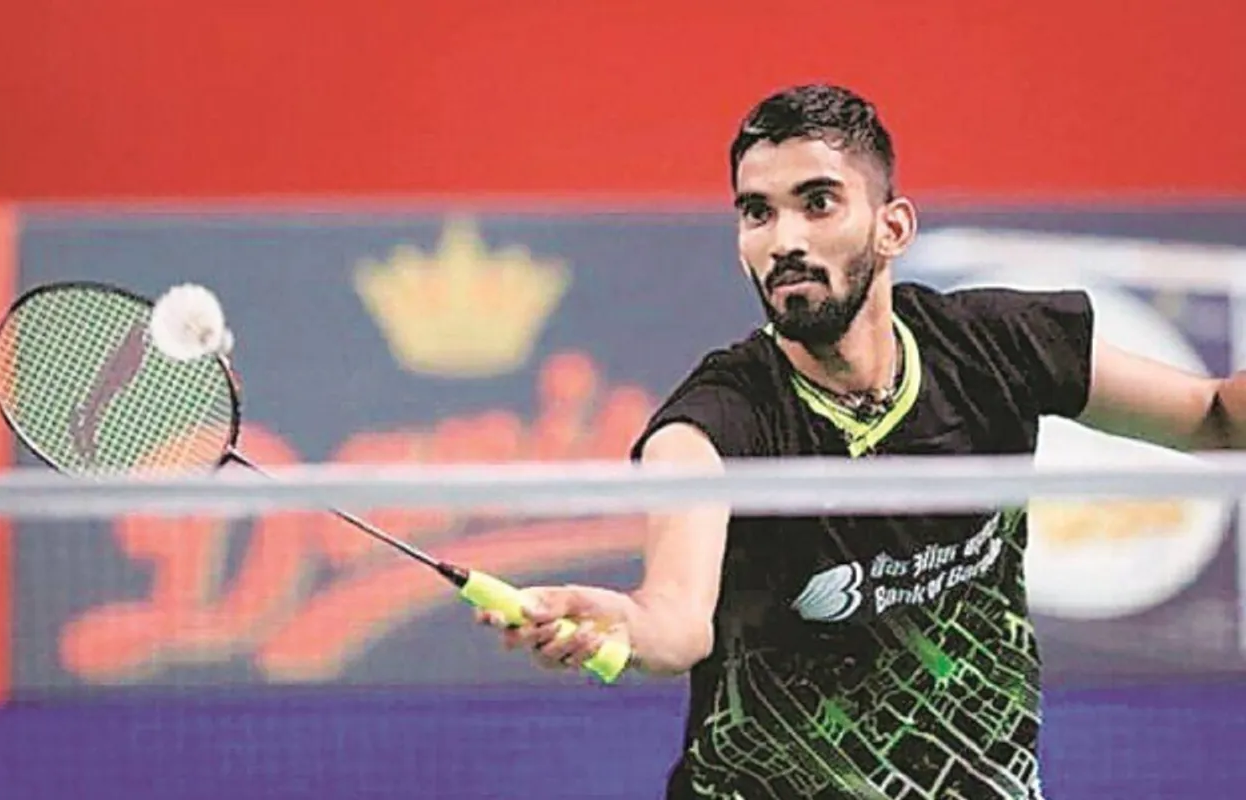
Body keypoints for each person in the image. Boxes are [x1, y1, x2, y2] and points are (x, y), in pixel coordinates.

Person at [477, 83, 1246, 799]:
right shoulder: (712, 426)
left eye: (818, 203)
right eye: (757, 212)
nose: (784, 239)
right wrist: (624, 624)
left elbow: (1215, 417)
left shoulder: (998, 347)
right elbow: (677, 621)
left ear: (893, 226)